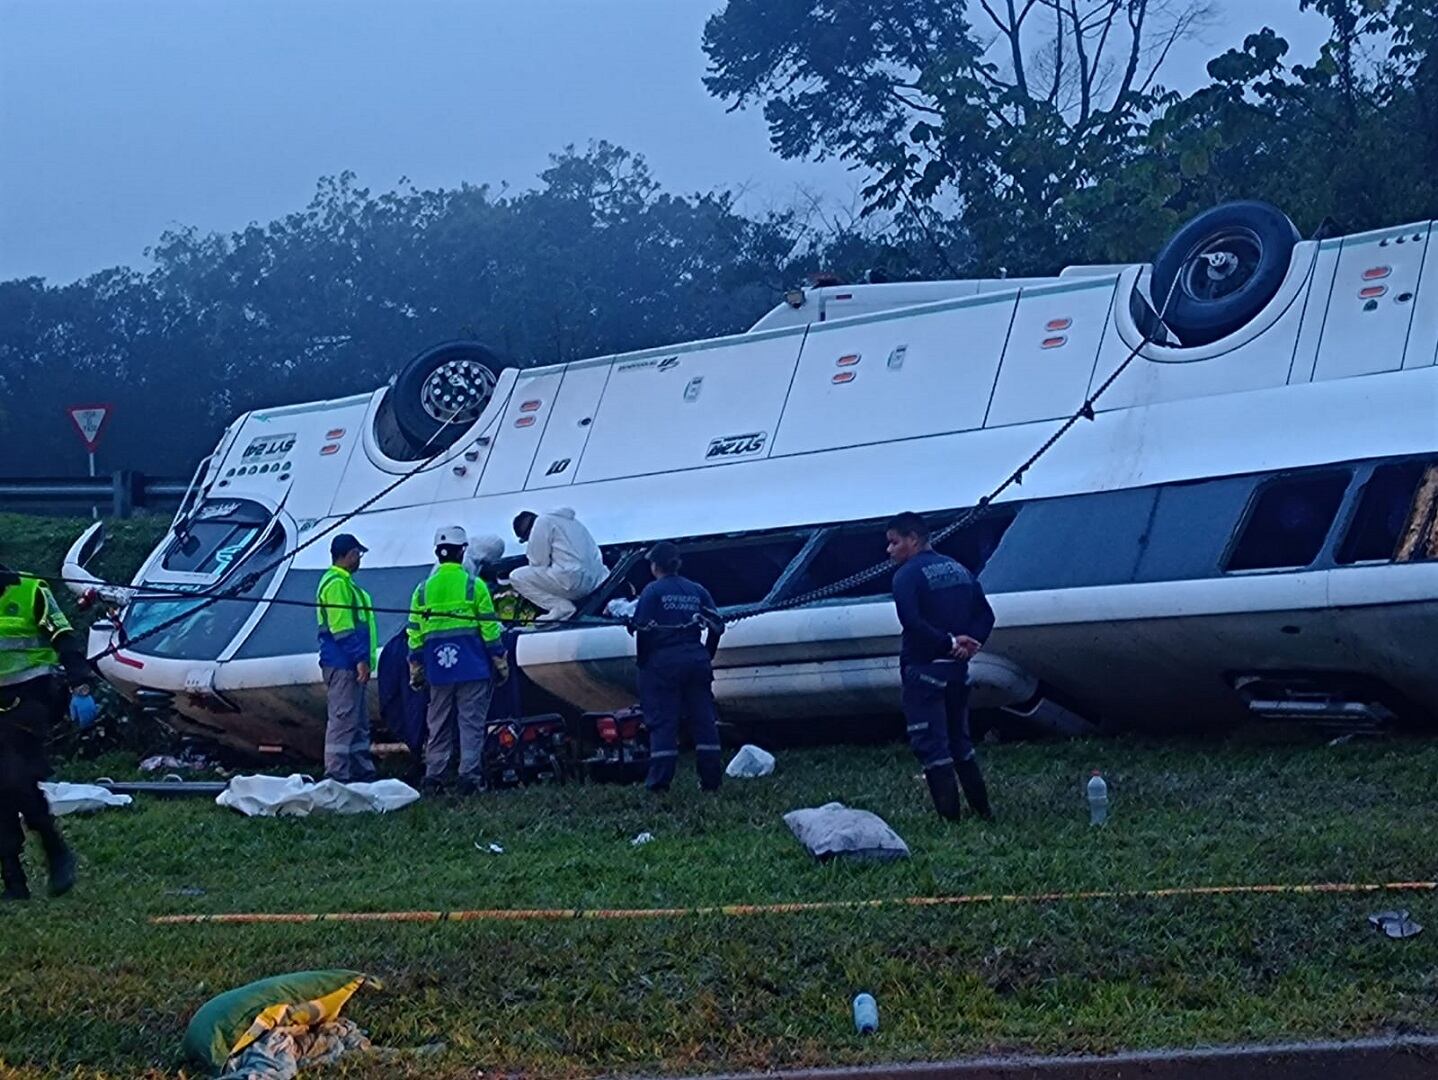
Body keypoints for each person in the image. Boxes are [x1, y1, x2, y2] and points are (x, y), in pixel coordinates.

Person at [886, 511, 996, 823]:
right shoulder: (959, 569)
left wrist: (946, 643)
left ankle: (950, 819)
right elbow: (986, 615)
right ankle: (983, 811)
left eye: (894, 543)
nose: (889, 551)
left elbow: (911, 620)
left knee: (931, 745)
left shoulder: (906, 576)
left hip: (924, 669)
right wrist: (971, 642)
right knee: (960, 742)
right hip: (957, 672)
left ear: (913, 539)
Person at [0, 563, 89, 900]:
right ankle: (14, 881)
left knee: (13, 778)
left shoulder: (32, 590)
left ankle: (54, 848)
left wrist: (81, 681)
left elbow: (62, 635)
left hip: (29, 699)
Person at [407, 526, 509, 794]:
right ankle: (469, 777)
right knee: (470, 723)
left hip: (438, 671)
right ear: (462, 551)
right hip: (472, 667)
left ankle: (434, 776)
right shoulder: (473, 586)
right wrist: (499, 659)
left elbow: (415, 633)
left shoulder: (422, 590)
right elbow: (489, 627)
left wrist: (416, 666)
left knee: (437, 722)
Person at [627, 541, 724, 794]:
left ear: (655, 565)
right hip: (696, 659)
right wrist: (706, 655)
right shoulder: (696, 589)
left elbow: (641, 629)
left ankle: (659, 784)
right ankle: (711, 781)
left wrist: (644, 663)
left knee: (662, 722)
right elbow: (717, 626)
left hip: (662, 663)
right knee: (704, 720)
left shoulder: (653, 591)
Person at [315, 533, 378, 784]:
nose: (359, 559)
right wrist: (359, 659)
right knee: (343, 720)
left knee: (358, 720)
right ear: (348, 555)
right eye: (358, 554)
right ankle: (336, 775)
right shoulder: (337, 585)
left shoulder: (345, 584)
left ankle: (361, 771)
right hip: (343, 664)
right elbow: (342, 628)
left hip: (348, 663)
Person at [510, 508, 606, 622]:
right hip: (598, 579)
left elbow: (537, 562)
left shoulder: (541, 523)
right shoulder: (569, 521)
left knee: (516, 577)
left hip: (575, 582)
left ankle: (561, 608)